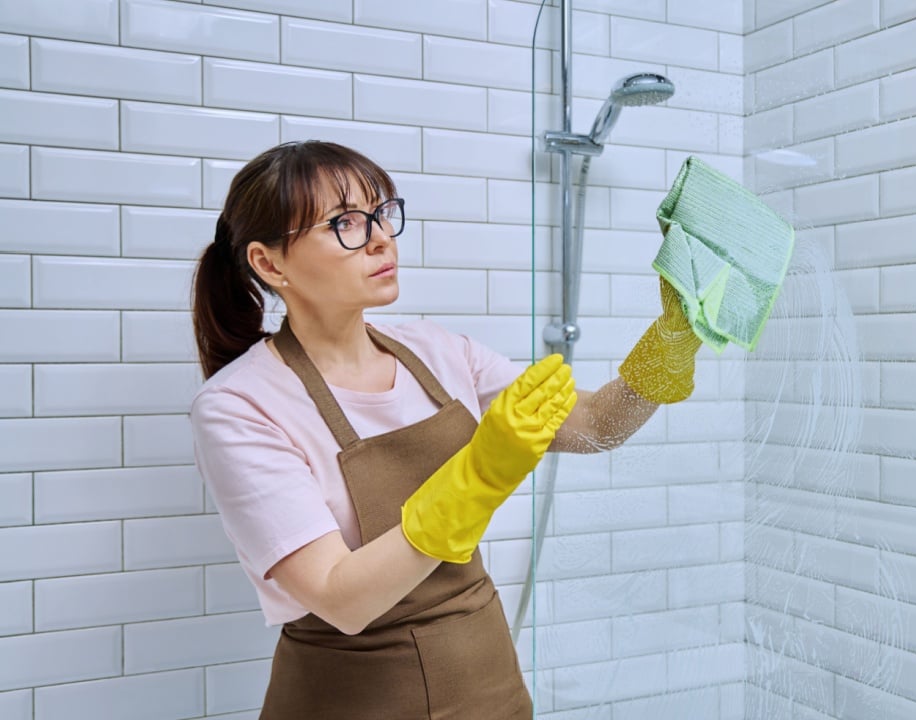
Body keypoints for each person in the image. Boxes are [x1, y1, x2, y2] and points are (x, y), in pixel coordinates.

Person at [189, 140, 701, 719]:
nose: (382, 237)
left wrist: (676, 334)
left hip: (491, 690)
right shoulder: (240, 404)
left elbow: (596, 425)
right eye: (345, 224)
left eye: (382, 213)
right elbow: (340, 597)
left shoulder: (435, 350)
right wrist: (479, 475)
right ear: (269, 263)